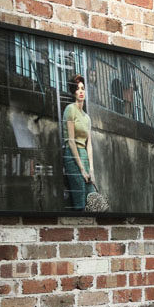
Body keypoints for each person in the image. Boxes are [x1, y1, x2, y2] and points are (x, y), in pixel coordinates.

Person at [62, 73, 95, 210]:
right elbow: (70, 141)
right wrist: (81, 169)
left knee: (92, 198)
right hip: (72, 154)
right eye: (77, 89)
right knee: (80, 199)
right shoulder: (70, 109)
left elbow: (89, 144)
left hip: (84, 155)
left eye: (82, 88)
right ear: (73, 92)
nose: (81, 91)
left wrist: (91, 169)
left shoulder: (87, 117)